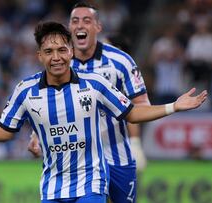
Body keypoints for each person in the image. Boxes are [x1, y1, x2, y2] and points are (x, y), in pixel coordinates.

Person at [0, 22, 207, 203]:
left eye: (62, 49)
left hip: (92, 182)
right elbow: (4, 130)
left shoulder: (95, 84)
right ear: (39, 55)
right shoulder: (26, 91)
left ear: (72, 52)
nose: (56, 57)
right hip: (52, 186)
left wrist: (173, 107)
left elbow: (131, 113)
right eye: (49, 51)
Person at [28, 2, 150, 202]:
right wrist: (35, 134)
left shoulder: (121, 61)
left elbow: (142, 104)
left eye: (87, 20)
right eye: (75, 21)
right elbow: (48, 103)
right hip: (78, 163)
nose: (80, 25)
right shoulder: (59, 62)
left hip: (117, 153)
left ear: (98, 27)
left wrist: (134, 138)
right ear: (70, 28)